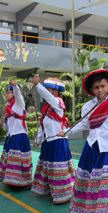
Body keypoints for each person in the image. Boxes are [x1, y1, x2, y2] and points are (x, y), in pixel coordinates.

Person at [58, 69, 108, 213]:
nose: (100, 90)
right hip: (92, 150)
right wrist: (66, 133)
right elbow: (84, 127)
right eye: (96, 87)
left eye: (103, 86)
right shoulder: (87, 107)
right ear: (91, 90)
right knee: (94, 185)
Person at [31, 76, 75, 204]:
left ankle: (63, 194)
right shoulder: (46, 108)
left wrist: (38, 85)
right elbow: (42, 125)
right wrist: (38, 140)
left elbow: (48, 97)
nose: (47, 92)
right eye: (47, 90)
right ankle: (48, 190)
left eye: (49, 90)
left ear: (56, 92)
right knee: (48, 167)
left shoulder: (57, 103)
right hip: (48, 142)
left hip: (58, 141)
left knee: (57, 168)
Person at [0, 80, 32, 187]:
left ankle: (22, 182)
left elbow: (18, 94)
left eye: (8, 92)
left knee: (19, 160)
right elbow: (8, 127)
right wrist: (2, 124)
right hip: (11, 136)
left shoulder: (19, 103)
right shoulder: (8, 107)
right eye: (7, 92)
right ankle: (12, 181)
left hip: (20, 135)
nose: (6, 94)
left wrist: (15, 86)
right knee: (11, 159)